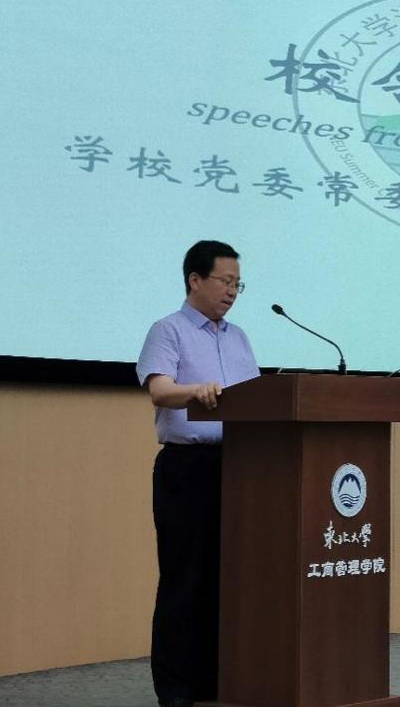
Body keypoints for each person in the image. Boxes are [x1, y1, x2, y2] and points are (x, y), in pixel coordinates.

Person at [137, 240, 259, 707]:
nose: (232, 292)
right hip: (187, 470)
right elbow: (160, 391)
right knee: (184, 579)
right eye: (225, 281)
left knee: (227, 579)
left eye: (237, 284)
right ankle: (176, 690)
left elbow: (255, 398)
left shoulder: (239, 337)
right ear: (195, 279)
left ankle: (215, 681)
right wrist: (196, 391)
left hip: (241, 470)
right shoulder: (167, 330)